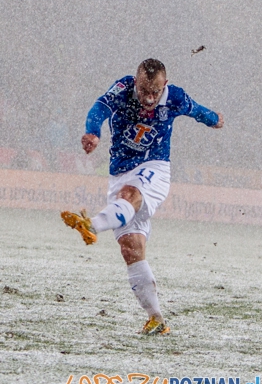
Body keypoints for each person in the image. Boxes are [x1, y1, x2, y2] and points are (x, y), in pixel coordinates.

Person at [61, 58, 223, 335]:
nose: (150, 98)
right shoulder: (123, 89)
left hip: (154, 169)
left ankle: (92, 225)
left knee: (131, 194)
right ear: (136, 82)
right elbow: (99, 108)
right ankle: (156, 318)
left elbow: (197, 111)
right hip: (119, 173)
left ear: (165, 85)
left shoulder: (175, 98)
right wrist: (92, 131)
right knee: (131, 248)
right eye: (145, 90)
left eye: (155, 92)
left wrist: (214, 119)